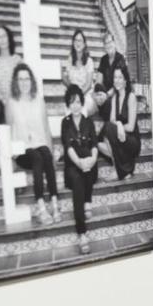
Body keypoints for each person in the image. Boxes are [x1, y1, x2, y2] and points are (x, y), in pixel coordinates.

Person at [6, 63, 61, 225]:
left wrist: (51, 154)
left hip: (39, 146)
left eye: (27, 79)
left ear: (32, 81)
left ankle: (55, 203)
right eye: (20, 79)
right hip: (22, 152)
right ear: (16, 82)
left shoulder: (39, 101)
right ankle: (41, 207)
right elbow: (8, 131)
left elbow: (46, 129)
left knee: (45, 153)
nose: (24, 83)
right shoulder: (11, 103)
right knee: (37, 156)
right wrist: (10, 158)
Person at [60, 84, 98, 254]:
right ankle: (82, 233)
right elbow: (68, 148)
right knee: (77, 181)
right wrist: (80, 163)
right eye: (72, 102)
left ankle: (88, 199)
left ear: (82, 103)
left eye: (77, 102)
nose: (75, 105)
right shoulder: (65, 123)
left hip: (88, 162)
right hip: (73, 165)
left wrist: (92, 159)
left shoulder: (88, 121)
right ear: (68, 104)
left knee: (91, 168)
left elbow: (95, 145)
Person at [97, 65, 140, 181]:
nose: (117, 80)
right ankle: (125, 168)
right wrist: (118, 125)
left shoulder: (131, 97)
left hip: (132, 140)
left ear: (125, 80)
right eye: (115, 77)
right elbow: (112, 121)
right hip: (120, 137)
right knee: (99, 143)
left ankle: (117, 170)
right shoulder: (114, 98)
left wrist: (120, 125)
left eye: (120, 77)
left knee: (108, 128)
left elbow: (131, 127)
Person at [0, 25, 22, 145]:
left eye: (4, 36)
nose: (2, 39)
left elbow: (20, 82)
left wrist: (11, 98)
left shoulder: (17, 59)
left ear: (9, 38)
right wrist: (3, 99)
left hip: (14, 95)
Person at [62, 29, 97, 116]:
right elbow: (65, 77)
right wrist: (66, 80)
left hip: (86, 95)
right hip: (73, 94)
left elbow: (88, 85)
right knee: (68, 111)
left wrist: (78, 97)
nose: (78, 43)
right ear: (73, 43)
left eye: (80, 40)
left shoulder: (89, 61)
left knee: (81, 111)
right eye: (76, 40)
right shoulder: (70, 59)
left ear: (84, 44)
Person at [94, 32, 126, 117]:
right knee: (97, 87)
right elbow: (98, 81)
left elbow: (119, 84)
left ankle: (110, 111)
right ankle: (105, 107)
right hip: (105, 93)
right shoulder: (103, 59)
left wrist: (106, 95)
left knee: (108, 104)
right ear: (104, 46)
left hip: (116, 92)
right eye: (106, 43)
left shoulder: (120, 59)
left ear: (114, 43)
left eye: (110, 42)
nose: (108, 45)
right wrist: (99, 94)